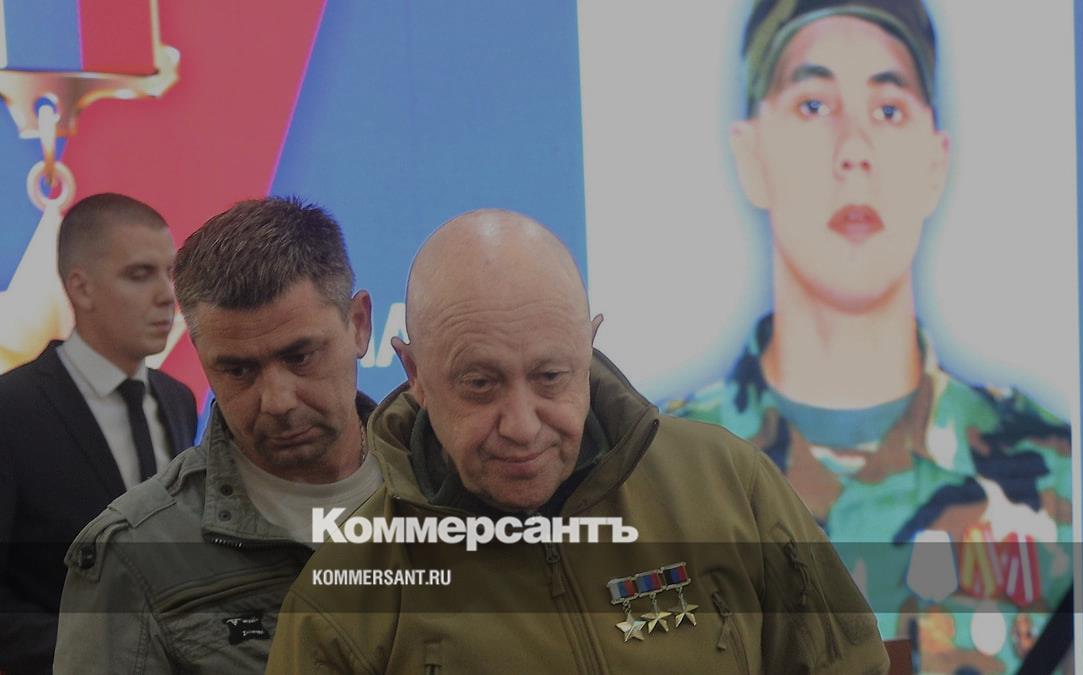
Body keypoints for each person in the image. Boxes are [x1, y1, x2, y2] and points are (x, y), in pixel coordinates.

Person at [266, 209, 888, 674]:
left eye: (551, 377)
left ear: (588, 349)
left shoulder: (728, 486)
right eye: (480, 384)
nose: (522, 424)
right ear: (415, 375)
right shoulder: (344, 597)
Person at [664, 0, 1074, 671]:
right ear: (751, 154)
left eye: (888, 110)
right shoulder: (658, 477)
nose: (853, 152)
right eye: (813, 106)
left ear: (936, 163)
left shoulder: (1058, 476)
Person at [53, 197, 381, 673]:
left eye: (300, 357)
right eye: (238, 370)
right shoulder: (134, 556)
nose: (277, 400)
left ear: (359, 325)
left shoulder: (451, 491)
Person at [0, 193, 196, 675]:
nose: (167, 296)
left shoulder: (178, 400)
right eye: (140, 274)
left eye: (169, 273)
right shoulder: (11, 410)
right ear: (81, 288)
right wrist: (109, 650)